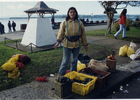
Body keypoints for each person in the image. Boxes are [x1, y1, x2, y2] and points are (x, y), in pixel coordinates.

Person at [54, 7, 88, 76]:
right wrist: (58, 42)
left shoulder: (79, 23)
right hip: (67, 44)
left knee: (74, 61)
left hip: (77, 45)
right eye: (71, 12)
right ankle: (61, 74)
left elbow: (83, 34)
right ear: (68, 13)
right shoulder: (64, 22)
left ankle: (73, 74)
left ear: (76, 13)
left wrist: (85, 44)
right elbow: (61, 33)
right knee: (65, 60)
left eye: (74, 12)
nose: (72, 13)